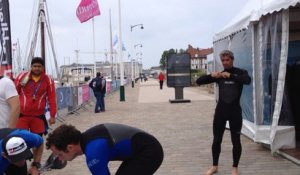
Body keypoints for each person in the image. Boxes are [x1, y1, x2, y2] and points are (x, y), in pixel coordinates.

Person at [196, 50, 251, 175]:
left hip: (235, 112)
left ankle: (234, 168)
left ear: (232, 59)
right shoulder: (219, 76)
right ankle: (214, 166)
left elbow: (247, 80)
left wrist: (230, 76)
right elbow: (199, 81)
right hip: (221, 112)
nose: (225, 62)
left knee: (235, 140)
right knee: (216, 140)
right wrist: (212, 76)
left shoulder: (240, 72)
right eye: (223, 60)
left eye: (227, 60)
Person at [46, 123, 164, 175]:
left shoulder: (93, 153)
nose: (60, 159)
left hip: (149, 153)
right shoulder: (87, 139)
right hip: (142, 150)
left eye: (60, 154)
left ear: (69, 147)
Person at [14, 57, 57, 136]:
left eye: (39, 66)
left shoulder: (48, 80)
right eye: (34, 66)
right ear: (31, 67)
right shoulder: (22, 77)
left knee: (38, 141)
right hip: (22, 115)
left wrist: (52, 115)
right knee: (22, 140)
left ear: (43, 67)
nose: (37, 68)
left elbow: (52, 98)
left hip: (38, 116)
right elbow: (14, 93)